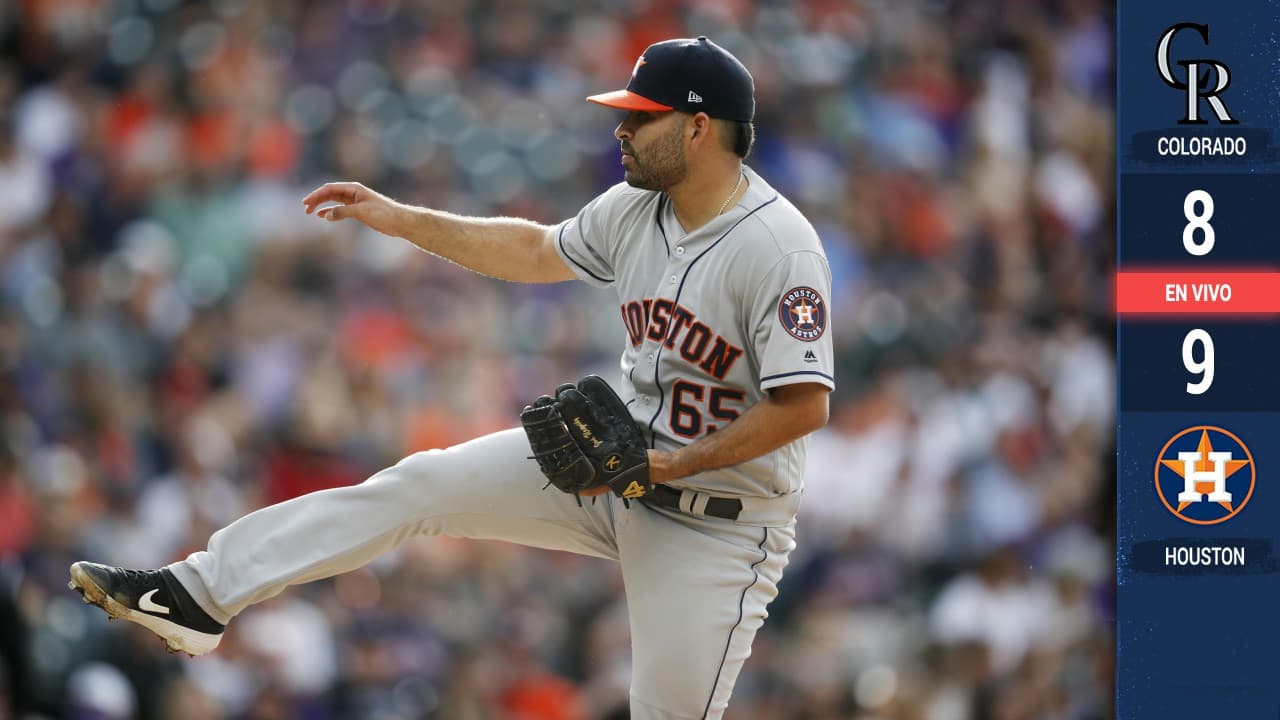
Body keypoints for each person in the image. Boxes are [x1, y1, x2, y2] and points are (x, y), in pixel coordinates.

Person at [69, 36, 834, 719]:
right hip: (618, 473)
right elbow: (536, 251)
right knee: (419, 487)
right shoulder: (636, 208)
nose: (621, 131)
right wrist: (404, 220)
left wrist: (670, 464)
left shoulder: (779, 248)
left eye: (641, 117)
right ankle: (199, 594)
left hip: (717, 525)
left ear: (698, 128)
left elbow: (802, 406)